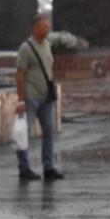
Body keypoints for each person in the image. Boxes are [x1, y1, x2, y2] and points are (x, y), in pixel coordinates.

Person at [15, 13, 63, 181]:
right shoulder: (26, 48)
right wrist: (20, 99)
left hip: (46, 97)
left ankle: (48, 167)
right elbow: (20, 74)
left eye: (48, 27)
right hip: (30, 97)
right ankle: (24, 168)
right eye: (44, 27)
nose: (47, 30)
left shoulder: (47, 46)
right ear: (35, 28)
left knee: (48, 133)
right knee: (24, 133)